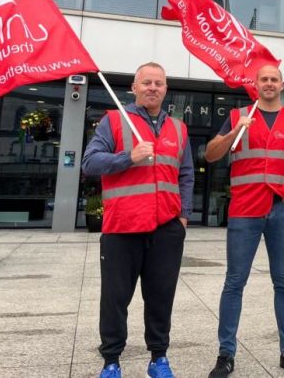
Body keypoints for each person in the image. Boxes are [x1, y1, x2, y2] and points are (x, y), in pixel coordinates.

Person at [204, 65, 284, 378]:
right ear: (254, 85)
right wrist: (233, 132)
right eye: (263, 79)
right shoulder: (237, 116)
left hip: (282, 208)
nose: (269, 83)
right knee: (234, 282)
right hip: (244, 208)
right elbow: (211, 155)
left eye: (273, 79)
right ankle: (226, 354)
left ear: (282, 84)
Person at [82, 62, 194, 378]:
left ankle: (159, 358)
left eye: (159, 83)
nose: (153, 88)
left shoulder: (178, 128)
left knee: (161, 298)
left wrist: (183, 216)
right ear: (134, 87)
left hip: (166, 229)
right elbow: (90, 162)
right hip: (123, 228)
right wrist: (127, 158)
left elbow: (186, 173)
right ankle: (111, 361)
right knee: (115, 299)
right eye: (146, 82)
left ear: (166, 90)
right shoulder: (114, 120)